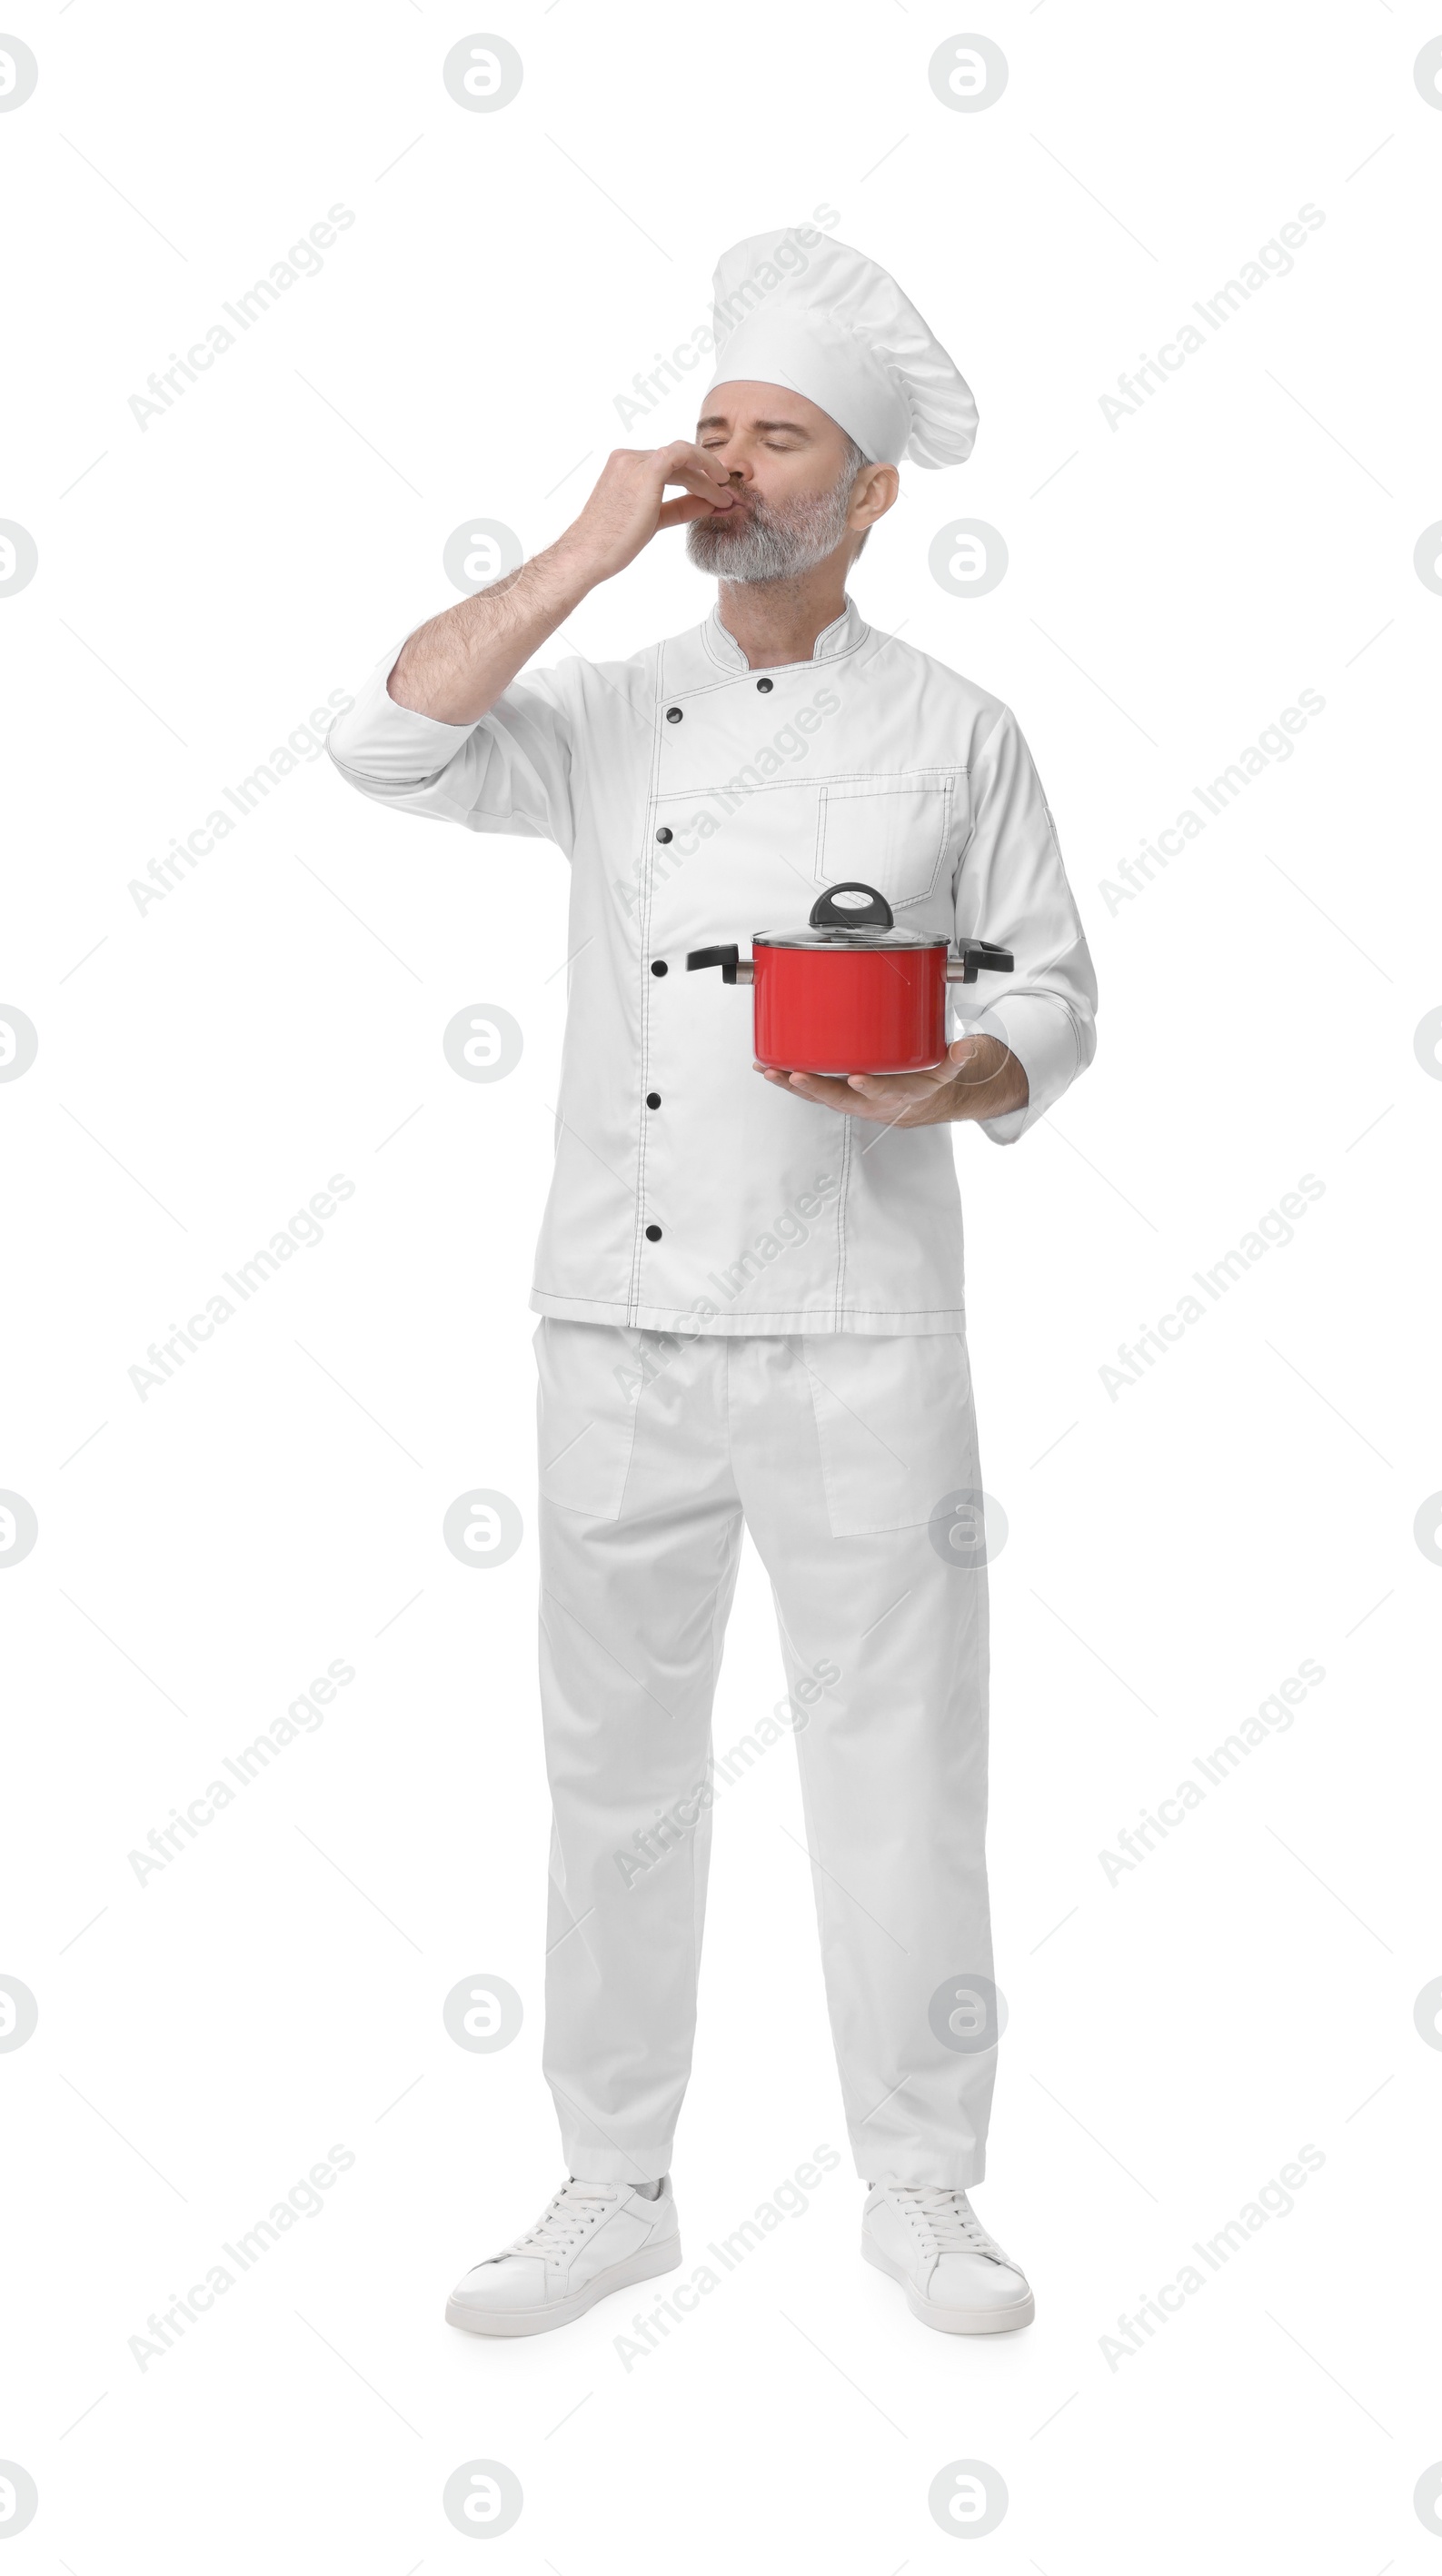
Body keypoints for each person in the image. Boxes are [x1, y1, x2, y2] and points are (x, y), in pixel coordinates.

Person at [328, 224, 1097, 2340]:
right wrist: (576, 550)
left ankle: (925, 2189)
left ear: (870, 498)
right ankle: (609, 2184)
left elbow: (1056, 984)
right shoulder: (594, 710)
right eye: (717, 429)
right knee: (614, 1776)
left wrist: (962, 1068)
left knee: (902, 1759)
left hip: (860, 1326)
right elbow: (380, 744)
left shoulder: (959, 733)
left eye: (783, 442)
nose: (734, 468)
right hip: (616, 1322)